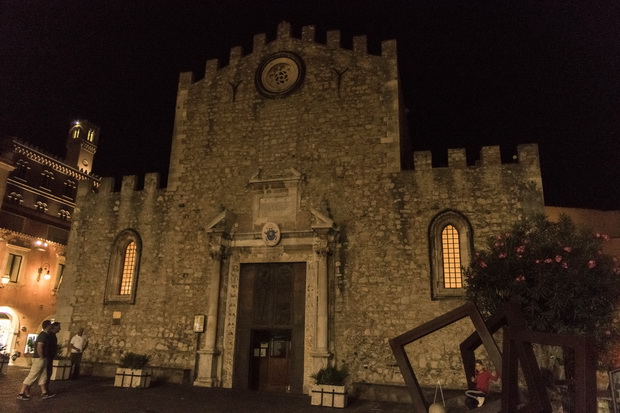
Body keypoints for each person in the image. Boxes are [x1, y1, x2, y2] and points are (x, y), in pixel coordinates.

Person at [17, 320, 56, 400]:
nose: (51, 327)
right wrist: (41, 356)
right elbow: (39, 346)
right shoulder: (43, 335)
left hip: (42, 358)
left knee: (43, 376)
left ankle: (44, 393)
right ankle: (21, 393)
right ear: (48, 326)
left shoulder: (45, 335)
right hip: (39, 358)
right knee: (33, 375)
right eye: (50, 325)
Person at [43, 322, 60, 396]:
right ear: (54, 327)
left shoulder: (52, 335)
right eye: (59, 327)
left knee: (48, 373)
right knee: (47, 373)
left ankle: (45, 390)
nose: (60, 329)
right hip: (48, 357)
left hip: (50, 357)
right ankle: (45, 390)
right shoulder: (50, 335)